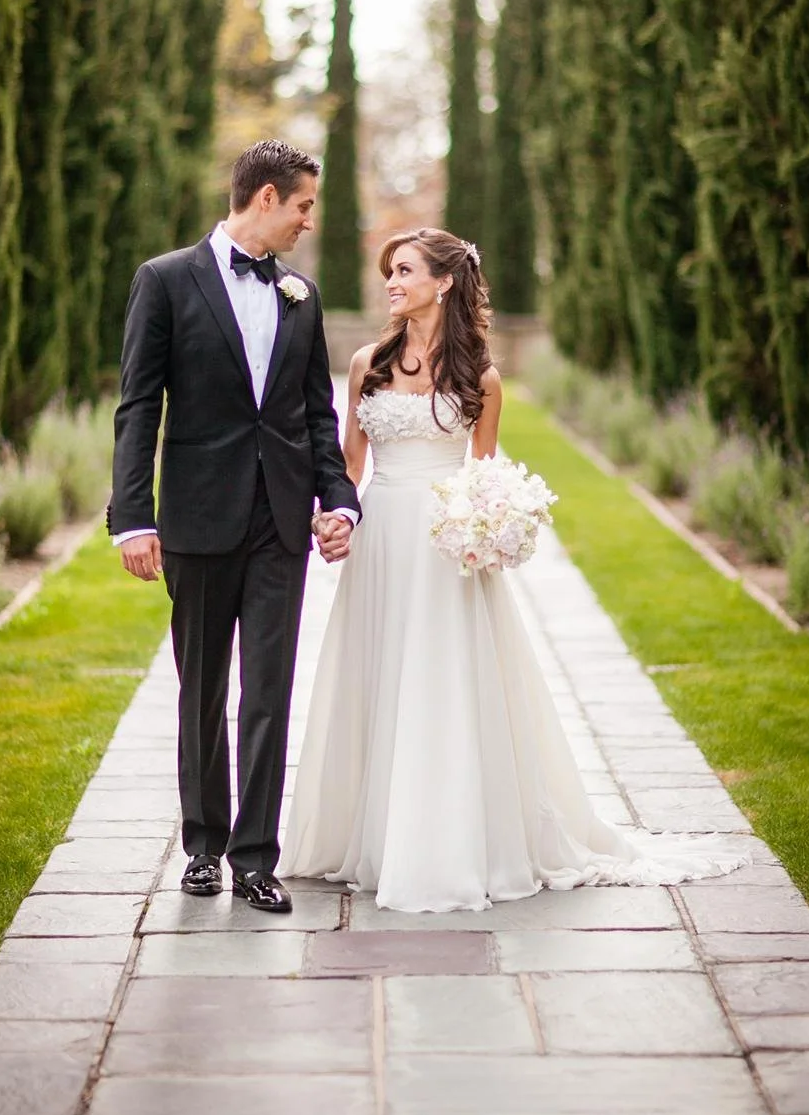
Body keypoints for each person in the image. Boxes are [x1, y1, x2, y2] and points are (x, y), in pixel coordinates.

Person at [280, 228, 748, 912]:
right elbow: (350, 467)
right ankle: (367, 832)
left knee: (442, 682)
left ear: (443, 282)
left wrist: (492, 525)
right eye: (390, 271)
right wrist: (335, 516)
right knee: (377, 674)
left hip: (445, 548)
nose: (392, 282)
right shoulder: (366, 363)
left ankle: (447, 840)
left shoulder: (481, 379)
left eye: (404, 270)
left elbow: (483, 471)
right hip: (383, 541)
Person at [108, 140, 360, 913]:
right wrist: (132, 519)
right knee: (202, 687)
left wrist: (341, 500)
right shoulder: (165, 280)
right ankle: (203, 846)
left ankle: (256, 857)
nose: (309, 222)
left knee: (269, 691)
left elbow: (317, 414)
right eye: (304, 206)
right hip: (196, 516)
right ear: (265, 199)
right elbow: (138, 405)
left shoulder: (301, 296)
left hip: (279, 522)